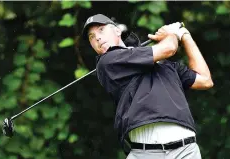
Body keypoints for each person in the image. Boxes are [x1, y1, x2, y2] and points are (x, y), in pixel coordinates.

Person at [82, 14, 213, 159]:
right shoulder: (108, 62)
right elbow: (169, 48)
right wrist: (173, 33)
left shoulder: (165, 65)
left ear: (117, 31)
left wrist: (185, 35)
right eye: (91, 37)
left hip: (186, 150)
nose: (97, 38)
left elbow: (205, 80)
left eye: (101, 30)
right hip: (145, 152)